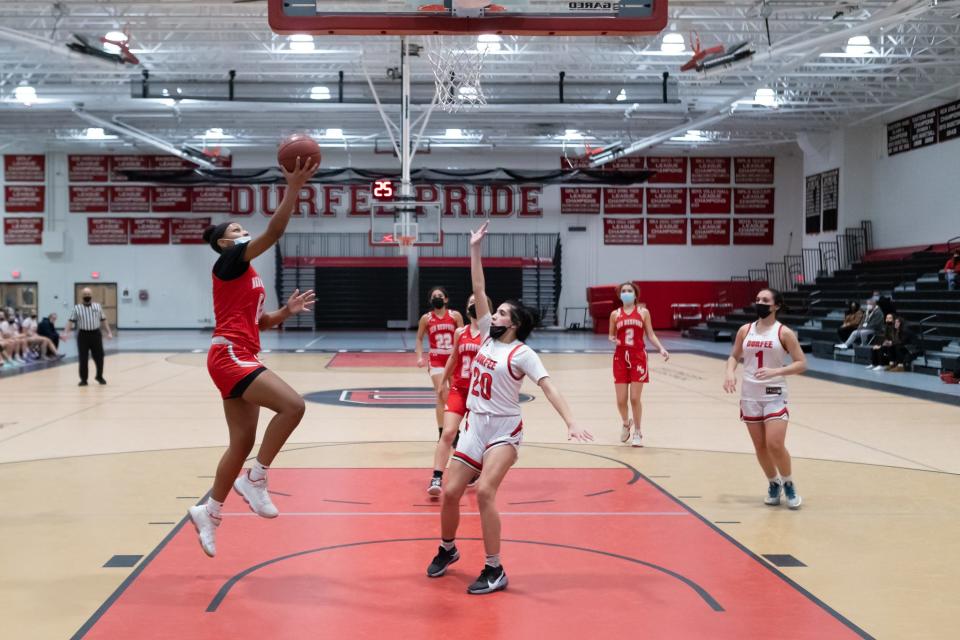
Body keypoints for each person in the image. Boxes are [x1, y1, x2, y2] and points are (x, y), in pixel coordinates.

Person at [426, 221, 593, 595]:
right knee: (451, 492)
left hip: (504, 430)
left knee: (484, 491)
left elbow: (549, 388)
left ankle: (494, 569)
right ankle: (448, 549)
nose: (494, 315)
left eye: (502, 314)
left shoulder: (523, 353)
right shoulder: (484, 334)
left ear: (514, 324)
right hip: (475, 425)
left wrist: (571, 421)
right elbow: (479, 288)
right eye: (495, 312)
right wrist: (474, 250)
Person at [187, 157, 318, 558]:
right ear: (225, 244)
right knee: (293, 406)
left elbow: (258, 321)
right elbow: (275, 230)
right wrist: (293, 186)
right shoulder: (229, 261)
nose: (245, 234)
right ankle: (256, 479)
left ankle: (208, 510)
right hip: (229, 354)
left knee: (241, 441)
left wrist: (285, 313)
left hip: (236, 350)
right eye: (237, 231)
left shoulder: (247, 274)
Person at [724, 288, 807, 510]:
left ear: (776, 306)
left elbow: (801, 363)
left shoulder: (784, 333)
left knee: (775, 444)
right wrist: (730, 372)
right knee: (760, 446)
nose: (759, 302)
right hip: (750, 394)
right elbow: (734, 356)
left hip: (774, 394)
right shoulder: (745, 330)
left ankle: (789, 483)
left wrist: (776, 371)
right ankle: (773, 483)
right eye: (758, 299)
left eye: (765, 300)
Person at [427, 292, 491, 496]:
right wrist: (443, 382)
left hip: (479, 394)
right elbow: (453, 357)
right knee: (448, 433)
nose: (473, 304)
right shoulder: (460, 332)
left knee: (475, 438)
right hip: (459, 389)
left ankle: (475, 468)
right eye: (470, 301)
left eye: (476, 302)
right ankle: (437, 476)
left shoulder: (490, 334)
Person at [607, 282, 669, 447]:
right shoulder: (615, 314)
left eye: (629, 291)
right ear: (620, 295)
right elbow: (611, 336)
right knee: (621, 400)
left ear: (635, 295)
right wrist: (614, 339)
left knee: (635, 398)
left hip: (638, 357)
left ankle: (638, 432)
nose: (626, 293)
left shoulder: (643, 312)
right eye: (623, 291)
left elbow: (650, 334)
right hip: (620, 357)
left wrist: (661, 348)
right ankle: (626, 423)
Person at [416, 287, 463, 438]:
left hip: (453, 359)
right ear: (430, 300)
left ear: (446, 299)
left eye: (440, 295)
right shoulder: (426, 318)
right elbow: (419, 338)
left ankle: (453, 430)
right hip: (436, 359)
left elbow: (463, 336)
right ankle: (444, 431)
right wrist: (419, 356)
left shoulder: (455, 315)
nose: (437, 297)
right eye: (434, 296)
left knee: (455, 395)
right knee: (443, 393)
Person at [62, 289, 113, 385]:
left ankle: (99, 376)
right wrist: (65, 333)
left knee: (99, 357)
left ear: (91, 295)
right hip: (83, 335)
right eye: (85, 294)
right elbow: (70, 321)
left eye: (88, 294)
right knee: (83, 358)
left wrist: (109, 332)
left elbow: (104, 320)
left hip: (96, 334)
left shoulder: (97, 306)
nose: (87, 295)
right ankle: (84, 380)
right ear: (82, 296)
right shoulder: (77, 308)